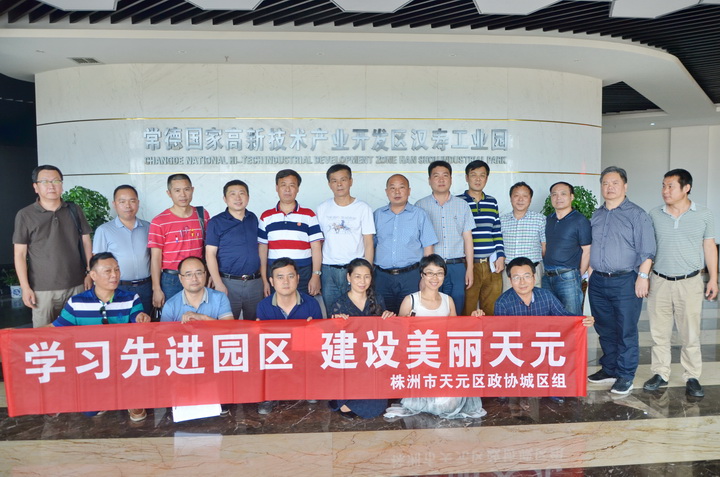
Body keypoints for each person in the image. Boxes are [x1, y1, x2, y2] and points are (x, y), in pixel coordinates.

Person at [50, 252, 150, 422]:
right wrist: (17, 334)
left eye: (117, 270)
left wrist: (141, 318)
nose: (114, 275)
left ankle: (131, 397)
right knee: (90, 411)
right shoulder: (76, 302)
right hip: (92, 362)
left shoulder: (131, 298)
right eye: (108, 271)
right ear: (93, 275)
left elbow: (137, 317)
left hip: (124, 360)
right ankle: (103, 394)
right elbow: (56, 329)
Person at [643, 169, 717, 398]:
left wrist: (713, 279)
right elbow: (648, 249)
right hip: (660, 281)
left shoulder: (704, 214)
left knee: (690, 334)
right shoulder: (654, 214)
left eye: (670, 186)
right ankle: (660, 373)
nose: (665, 191)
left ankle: (692, 376)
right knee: (659, 333)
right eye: (663, 186)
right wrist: (644, 277)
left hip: (690, 282)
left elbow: (709, 247)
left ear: (686, 188)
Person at [385, 254, 486, 420]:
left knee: (449, 404)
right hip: (419, 360)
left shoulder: (448, 301)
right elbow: (399, 337)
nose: (434, 278)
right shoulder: (411, 300)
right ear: (422, 275)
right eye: (430, 273)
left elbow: (455, 334)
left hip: (443, 361)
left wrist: (474, 319)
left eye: (439, 273)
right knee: (430, 403)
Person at [587, 166, 656, 395]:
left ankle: (626, 375)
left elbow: (647, 250)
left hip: (626, 280)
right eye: (605, 183)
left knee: (626, 329)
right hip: (598, 281)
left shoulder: (637, 214)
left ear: (625, 186)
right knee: (604, 328)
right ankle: (609, 369)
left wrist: (643, 277)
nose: (610, 187)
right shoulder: (596, 215)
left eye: (615, 183)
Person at [13, 165, 93, 327]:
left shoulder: (74, 210)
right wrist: (25, 288)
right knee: (44, 336)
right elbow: (20, 254)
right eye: (45, 181)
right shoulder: (25, 215)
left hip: (77, 285)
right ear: (36, 187)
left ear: (62, 185)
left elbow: (86, 241)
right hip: (42, 289)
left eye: (56, 181)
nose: (51, 185)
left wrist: (90, 272)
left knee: (79, 333)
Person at [328, 258, 394, 419]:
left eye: (366, 276)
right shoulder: (339, 304)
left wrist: (389, 318)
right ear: (348, 277)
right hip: (350, 363)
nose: (362, 281)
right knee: (346, 401)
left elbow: (385, 333)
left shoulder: (377, 299)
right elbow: (332, 340)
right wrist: (336, 323)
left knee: (378, 406)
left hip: (372, 361)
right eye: (357, 276)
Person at [255, 257, 323, 415]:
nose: (286, 282)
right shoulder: (263, 306)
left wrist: (312, 330)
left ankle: (309, 387)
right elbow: (263, 343)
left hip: (302, 354)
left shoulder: (311, 304)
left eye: (290, 276)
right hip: (275, 356)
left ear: (298, 278)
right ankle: (268, 395)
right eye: (280, 277)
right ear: (272, 281)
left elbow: (320, 341)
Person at [415, 161, 475, 313]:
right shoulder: (420, 206)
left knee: (456, 308)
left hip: (456, 266)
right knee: (431, 309)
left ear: (451, 179)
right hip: (431, 268)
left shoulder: (462, 205)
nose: (441, 180)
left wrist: (469, 269)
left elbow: (468, 239)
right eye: (436, 176)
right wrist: (423, 273)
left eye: (445, 175)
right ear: (429, 180)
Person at [373, 174, 438, 314]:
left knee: (409, 316)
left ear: (409, 191)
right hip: (382, 277)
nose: (397, 192)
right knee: (382, 316)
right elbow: (371, 246)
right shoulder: (377, 215)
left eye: (401, 187)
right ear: (386, 191)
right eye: (392, 188)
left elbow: (428, 249)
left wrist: (425, 277)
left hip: (411, 276)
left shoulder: (419, 215)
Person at [317, 164, 375, 312]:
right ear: (329, 184)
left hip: (354, 270)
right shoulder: (322, 208)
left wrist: (367, 273)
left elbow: (368, 243)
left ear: (351, 181)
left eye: (343, 179)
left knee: (356, 313)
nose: (339, 184)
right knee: (333, 313)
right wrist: (316, 273)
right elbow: (319, 242)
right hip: (329, 270)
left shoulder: (363, 208)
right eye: (334, 181)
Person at [148, 174, 210, 311]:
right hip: (172, 279)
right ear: (169, 193)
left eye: (186, 189)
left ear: (192, 190)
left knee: (200, 315)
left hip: (197, 277)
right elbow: (155, 258)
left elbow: (208, 248)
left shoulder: (202, 215)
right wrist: (156, 288)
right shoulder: (159, 221)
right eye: (177, 190)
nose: (183, 194)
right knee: (174, 318)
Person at [258, 169, 323, 298]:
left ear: (298, 188)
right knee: (277, 308)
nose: (287, 189)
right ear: (277, 188)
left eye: (292, 185)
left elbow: (316, 247)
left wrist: (316, 275)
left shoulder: (308, 215)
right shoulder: (266, 216)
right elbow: (262, 250)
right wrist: (265, 280)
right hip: (276, 273)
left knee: (303, 307)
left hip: (303, 273)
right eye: (283, 185)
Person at [205, 180, 263, 320]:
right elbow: (210, 254)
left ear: (248, 197)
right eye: (232, 194)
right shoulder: (216, 222)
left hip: (254, 283)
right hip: (228, 283)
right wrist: (218, 283)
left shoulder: (253, 218)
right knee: (227, 326)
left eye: (242, 193)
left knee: (255, 324)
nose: (238, 198)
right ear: (225, 199)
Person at [93, 185, 152, 315]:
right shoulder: (104, 230)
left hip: (146, 287)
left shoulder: (148, 227)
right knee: (119, 324)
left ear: (138, 203)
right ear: (114, 204)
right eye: (122, 201)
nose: (128, 205)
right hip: (117, 287)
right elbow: (97, 263)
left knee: (144, 323)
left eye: (132, 201)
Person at [458, 160, 506, 316]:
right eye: (473, 175)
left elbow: (496, 231)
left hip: (492, 265)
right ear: (467, 177)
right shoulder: (458, 202)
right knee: (467, 310)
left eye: (482, 175)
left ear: (486, 178)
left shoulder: (492, 202)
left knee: (491, 310)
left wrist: (500, 256)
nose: (478, 179)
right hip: (468, 265)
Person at [495, 257, 594, 326]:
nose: (522, 282)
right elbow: (500, 331)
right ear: (510, 280)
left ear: (534, 278)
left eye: (527, 276)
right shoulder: (502, 303)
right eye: (516, 278)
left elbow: (563, 316)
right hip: (517, 347)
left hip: (542, 346)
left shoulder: (545, 295)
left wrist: (583, 319)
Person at [542, 182, 592, 316]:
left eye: (563, 194)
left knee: (571, 317)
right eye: (554, 194)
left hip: (568, 277)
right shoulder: (548, 219)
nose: (558, 197)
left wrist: (578, 275)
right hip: (547, 276)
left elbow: (587, 250)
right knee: (549, 318)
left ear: (572, 197)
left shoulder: (580, 220)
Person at [500, 182, 546, 292]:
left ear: (530, 199)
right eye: (516, 195)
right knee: (509, 300)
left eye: (525, 196)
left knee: (534, 300)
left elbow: (544, 247)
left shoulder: (540, 219)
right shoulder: (502, 220)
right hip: (509, 273)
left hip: (533, 271)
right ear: (510, 198)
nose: (520, 199)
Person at [161, 256, 233, 323]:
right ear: (180, 278)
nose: (194, 279)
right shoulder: (170, 305)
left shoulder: (220, 298)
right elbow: (164, 332)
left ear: (205, 274)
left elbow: (229, 328)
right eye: (188, 275)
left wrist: (203, 318)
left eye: (199, 273)